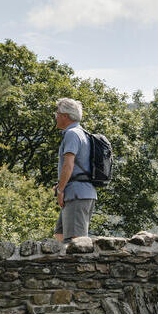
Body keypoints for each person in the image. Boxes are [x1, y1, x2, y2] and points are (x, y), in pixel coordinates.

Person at [54, 98, 97, 242]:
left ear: (65, 116)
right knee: (60, 236)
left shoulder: (72, 134)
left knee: (75, 243)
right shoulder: (83, 133)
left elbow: (69, 165)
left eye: (57, 113)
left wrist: (60, 190)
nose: (56, 116)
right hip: (80, 192)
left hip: (76, 194)